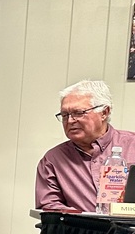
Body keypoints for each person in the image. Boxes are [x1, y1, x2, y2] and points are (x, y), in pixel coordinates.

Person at [36, 79, 135, 211]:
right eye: (65, 115)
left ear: (104, 112)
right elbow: (50, 208)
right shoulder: (53, 160)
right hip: (79, 230)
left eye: (78, 113)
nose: (70, 121)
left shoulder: (131, 145)